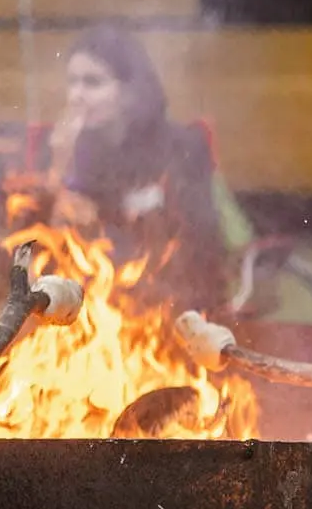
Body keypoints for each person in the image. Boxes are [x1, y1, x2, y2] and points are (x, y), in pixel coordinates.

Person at [29, 25, 233, 310]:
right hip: (90, 303)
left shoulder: (179, 145)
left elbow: (201, 238)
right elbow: (40, 247)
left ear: (129, 91)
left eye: (92, 83)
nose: (76, 96)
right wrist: (60, 164)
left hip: (172, 301)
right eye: (72, 82)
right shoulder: (67, 148)